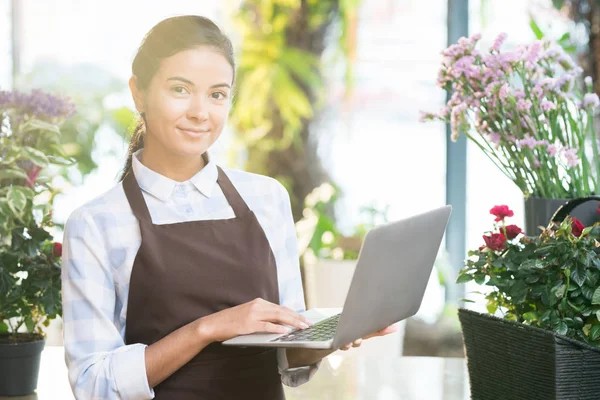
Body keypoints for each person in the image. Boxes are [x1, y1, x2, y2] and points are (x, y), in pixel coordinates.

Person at [61, 15, 397, 399]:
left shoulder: (267, 199)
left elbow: (286, 351)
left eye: (217, 94)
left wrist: (335, 335)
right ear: (139, 93)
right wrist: (207, 329)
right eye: (180, 89)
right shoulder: (96, 224)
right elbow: (93, 384)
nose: (200, 112)